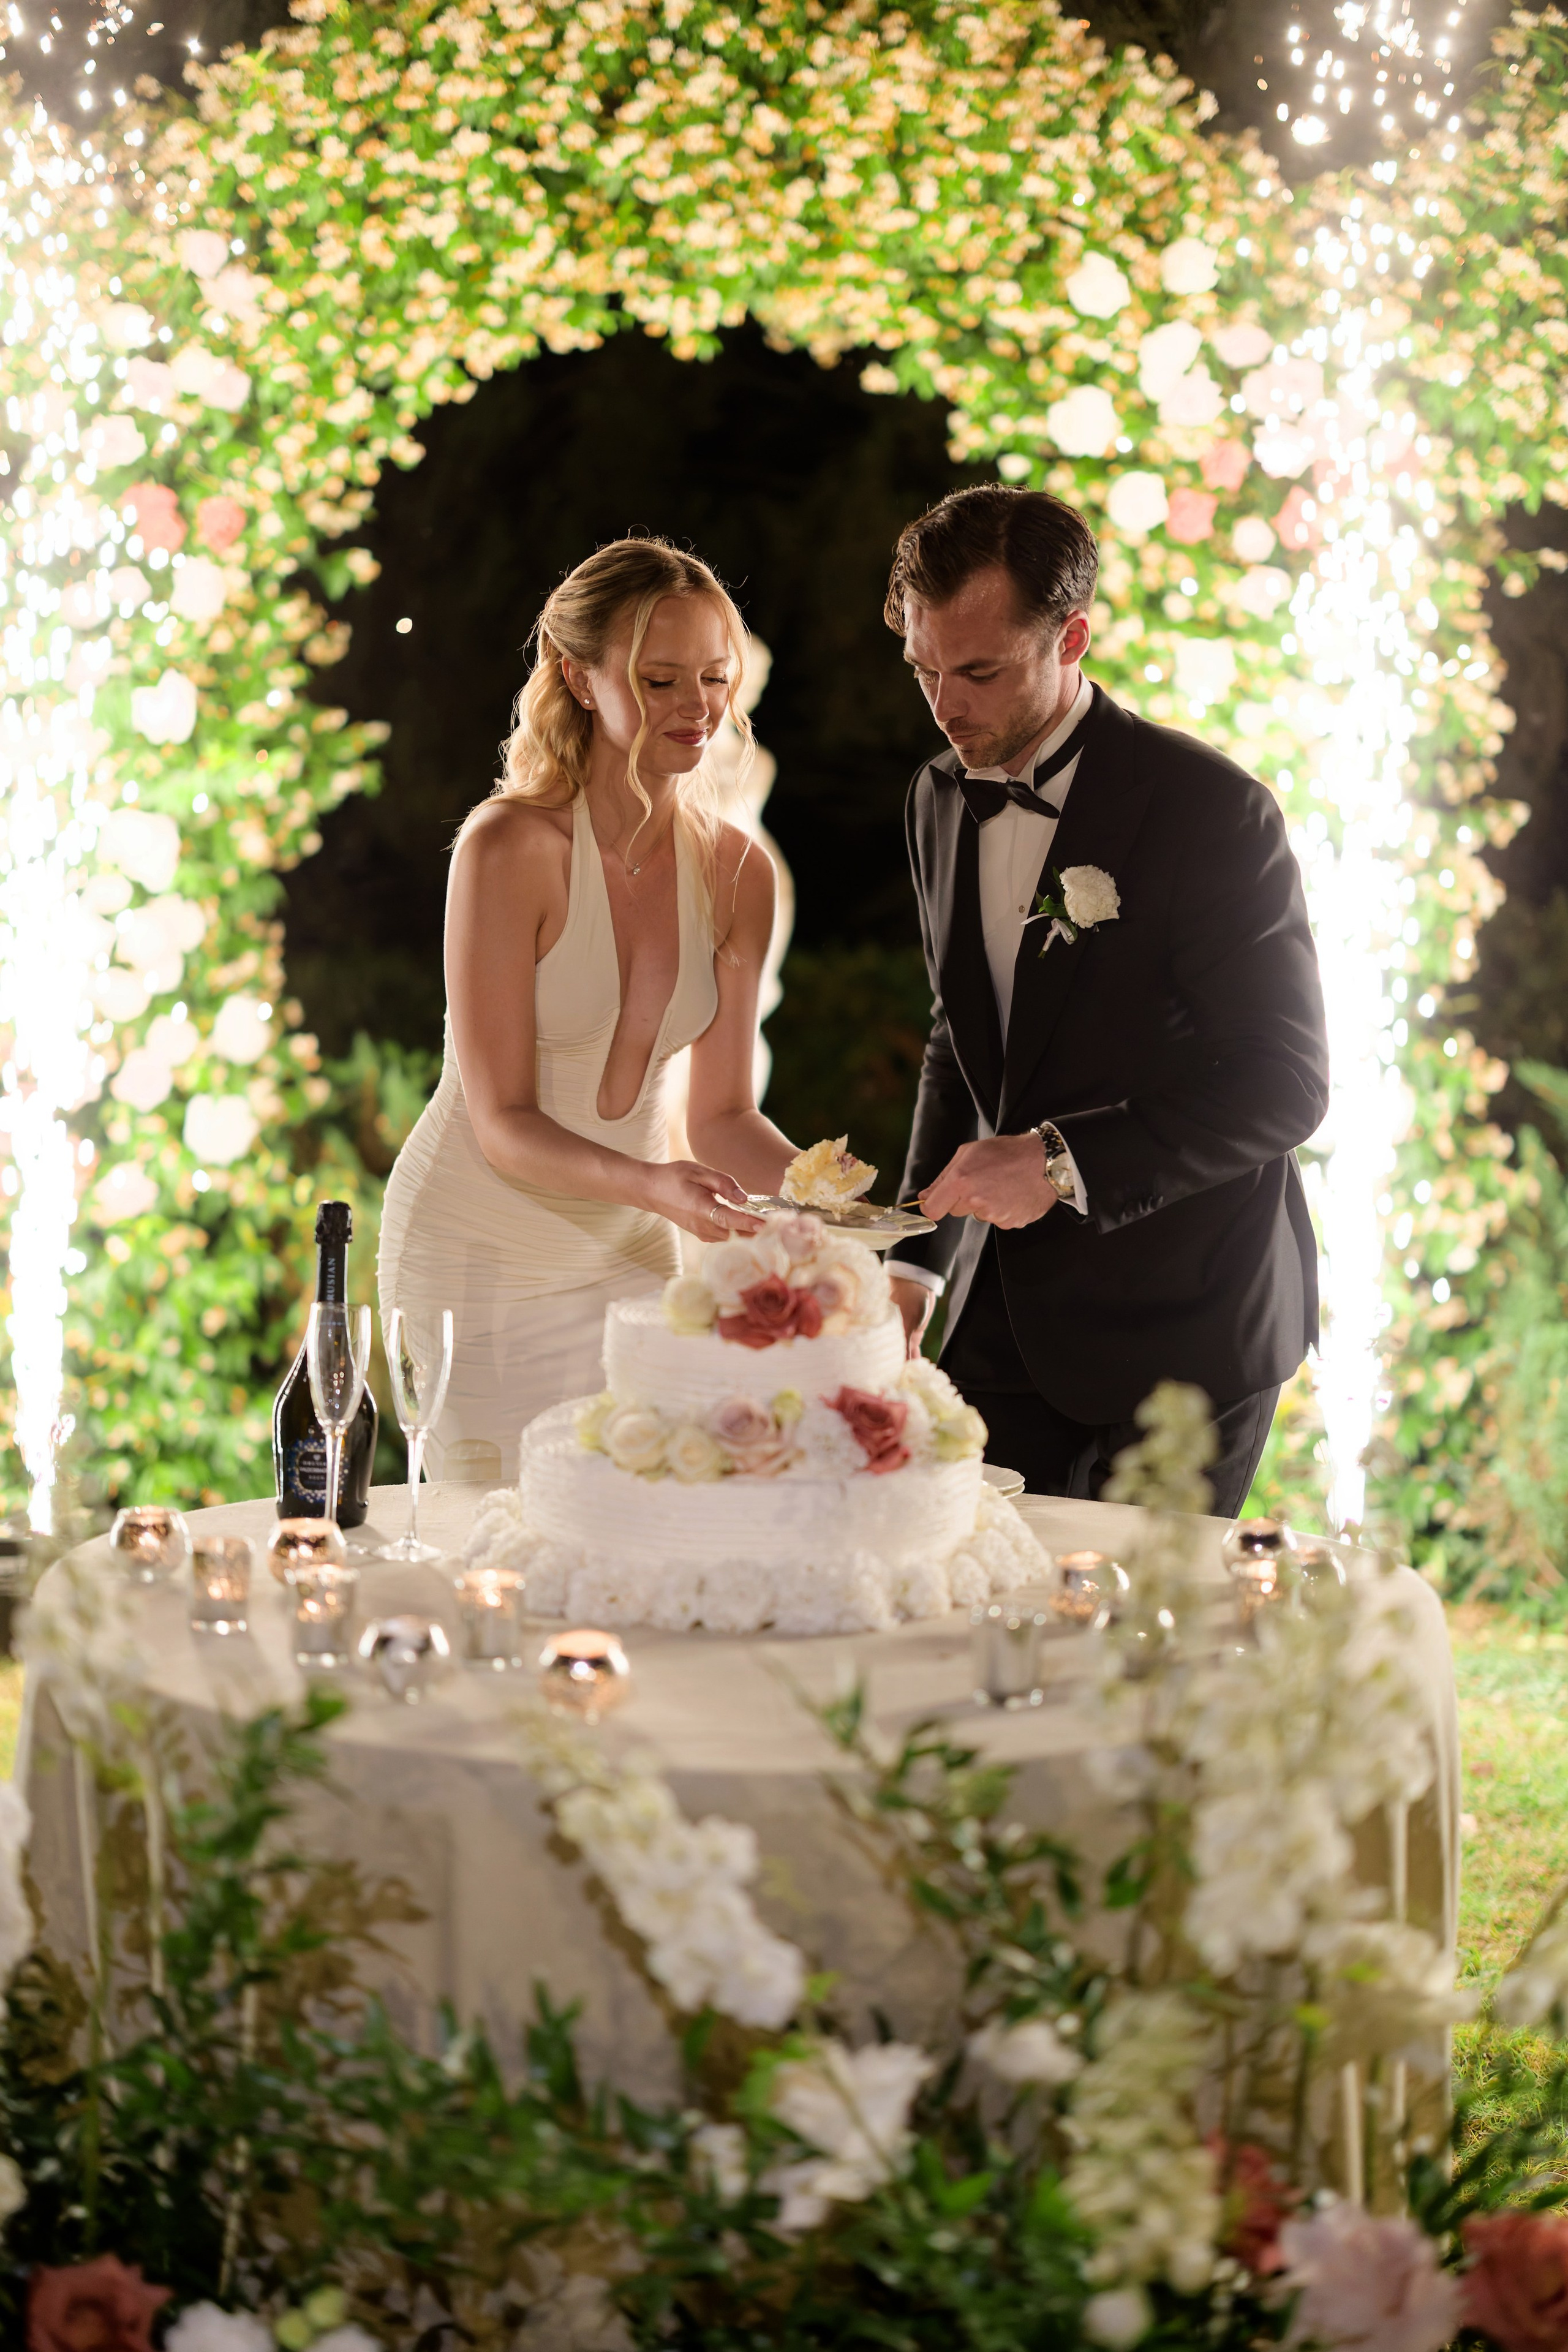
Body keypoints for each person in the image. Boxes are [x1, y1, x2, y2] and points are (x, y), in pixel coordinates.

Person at [883, 486, 1330, 1516]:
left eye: (980, 671)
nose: (947, 707)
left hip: (1192, 1324)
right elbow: (967, 1038)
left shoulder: (1214, 810)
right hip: (1009, 1327)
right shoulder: (936, 797)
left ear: (1072, 636)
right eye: (923, 670)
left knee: (1148, 1660)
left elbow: (1285, 1085)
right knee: (984, 1622)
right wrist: (917, 1261)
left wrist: (1056, 1161)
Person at [379, 538, 798, 1482]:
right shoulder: (506, 847)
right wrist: (659, 1186)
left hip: (635, 1252)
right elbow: (503, 1124)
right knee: (489, 1544)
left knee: (635, 1528)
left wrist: (839, 1211)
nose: (696, 708)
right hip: (478, 1245)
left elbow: (723, 1118)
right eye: (659, 681)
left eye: (714, 678)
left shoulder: (739, 873)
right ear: (577, 676)